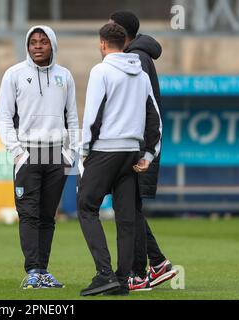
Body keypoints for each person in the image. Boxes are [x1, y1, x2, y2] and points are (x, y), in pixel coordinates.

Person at [78, 23, 162, 296]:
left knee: (87, 207)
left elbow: (92, 116)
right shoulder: (140, 72)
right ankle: (124, 279)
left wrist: (84, 152)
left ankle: (104, 274)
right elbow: (155, 118)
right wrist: (149, 154)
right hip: (132, 153)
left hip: (105, 150)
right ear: (125, 42)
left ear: (103, 44)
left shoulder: (100, 70)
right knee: (126, 217)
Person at [0, 25, 79, 289]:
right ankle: (32, 270)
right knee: (28, 214)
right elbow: (4, 117)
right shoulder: (14, 74)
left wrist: (70, 153)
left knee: (47, 217)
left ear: (52, 44)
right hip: (27, 154)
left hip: (57, 155)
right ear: (27, 46)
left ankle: (43, 270)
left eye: (43, 41)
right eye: (33, 42)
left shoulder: (64, 76)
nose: (38, 46)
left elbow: (73, 117)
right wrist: (18, 153)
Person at [109, 11, 178, 291]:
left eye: (113, 28)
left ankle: (139, 273)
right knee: (131, 209)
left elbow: (137, 107)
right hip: (140, 144)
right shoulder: (141, 57)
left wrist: (142, 150)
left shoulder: (135, 59)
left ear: (123, 33)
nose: (107, 32)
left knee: (129, 210)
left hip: (135, 145)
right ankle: (157, 265)